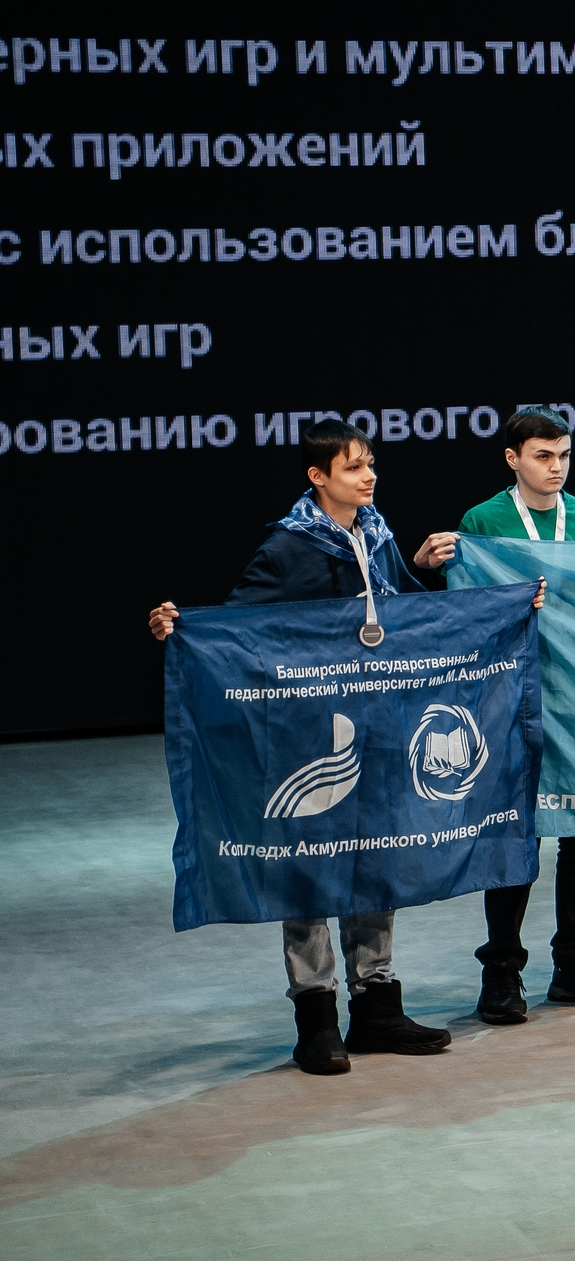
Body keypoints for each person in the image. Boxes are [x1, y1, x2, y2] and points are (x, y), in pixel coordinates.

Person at [144, 420, 461, 1075]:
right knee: (309, 870)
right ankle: (315, 1018)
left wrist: (454, 586)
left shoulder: (377, 536)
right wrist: (180, 628)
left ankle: (376, 1006)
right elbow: (237, 628)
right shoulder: (286, 549)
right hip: (310, 743)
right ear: (318, 477)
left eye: (370, 464)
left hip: (380, 729)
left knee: (377, 862)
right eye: (353, 467)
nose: (369, 476)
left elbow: (405, 616)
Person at [454, 405, 575, 1023]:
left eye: (564, 456)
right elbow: (471, 612)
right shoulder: (484, 521)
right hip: (511, 697)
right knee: (515, 834)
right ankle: (501, 972)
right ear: (513, 459)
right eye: (542, 456)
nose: (556, 468)